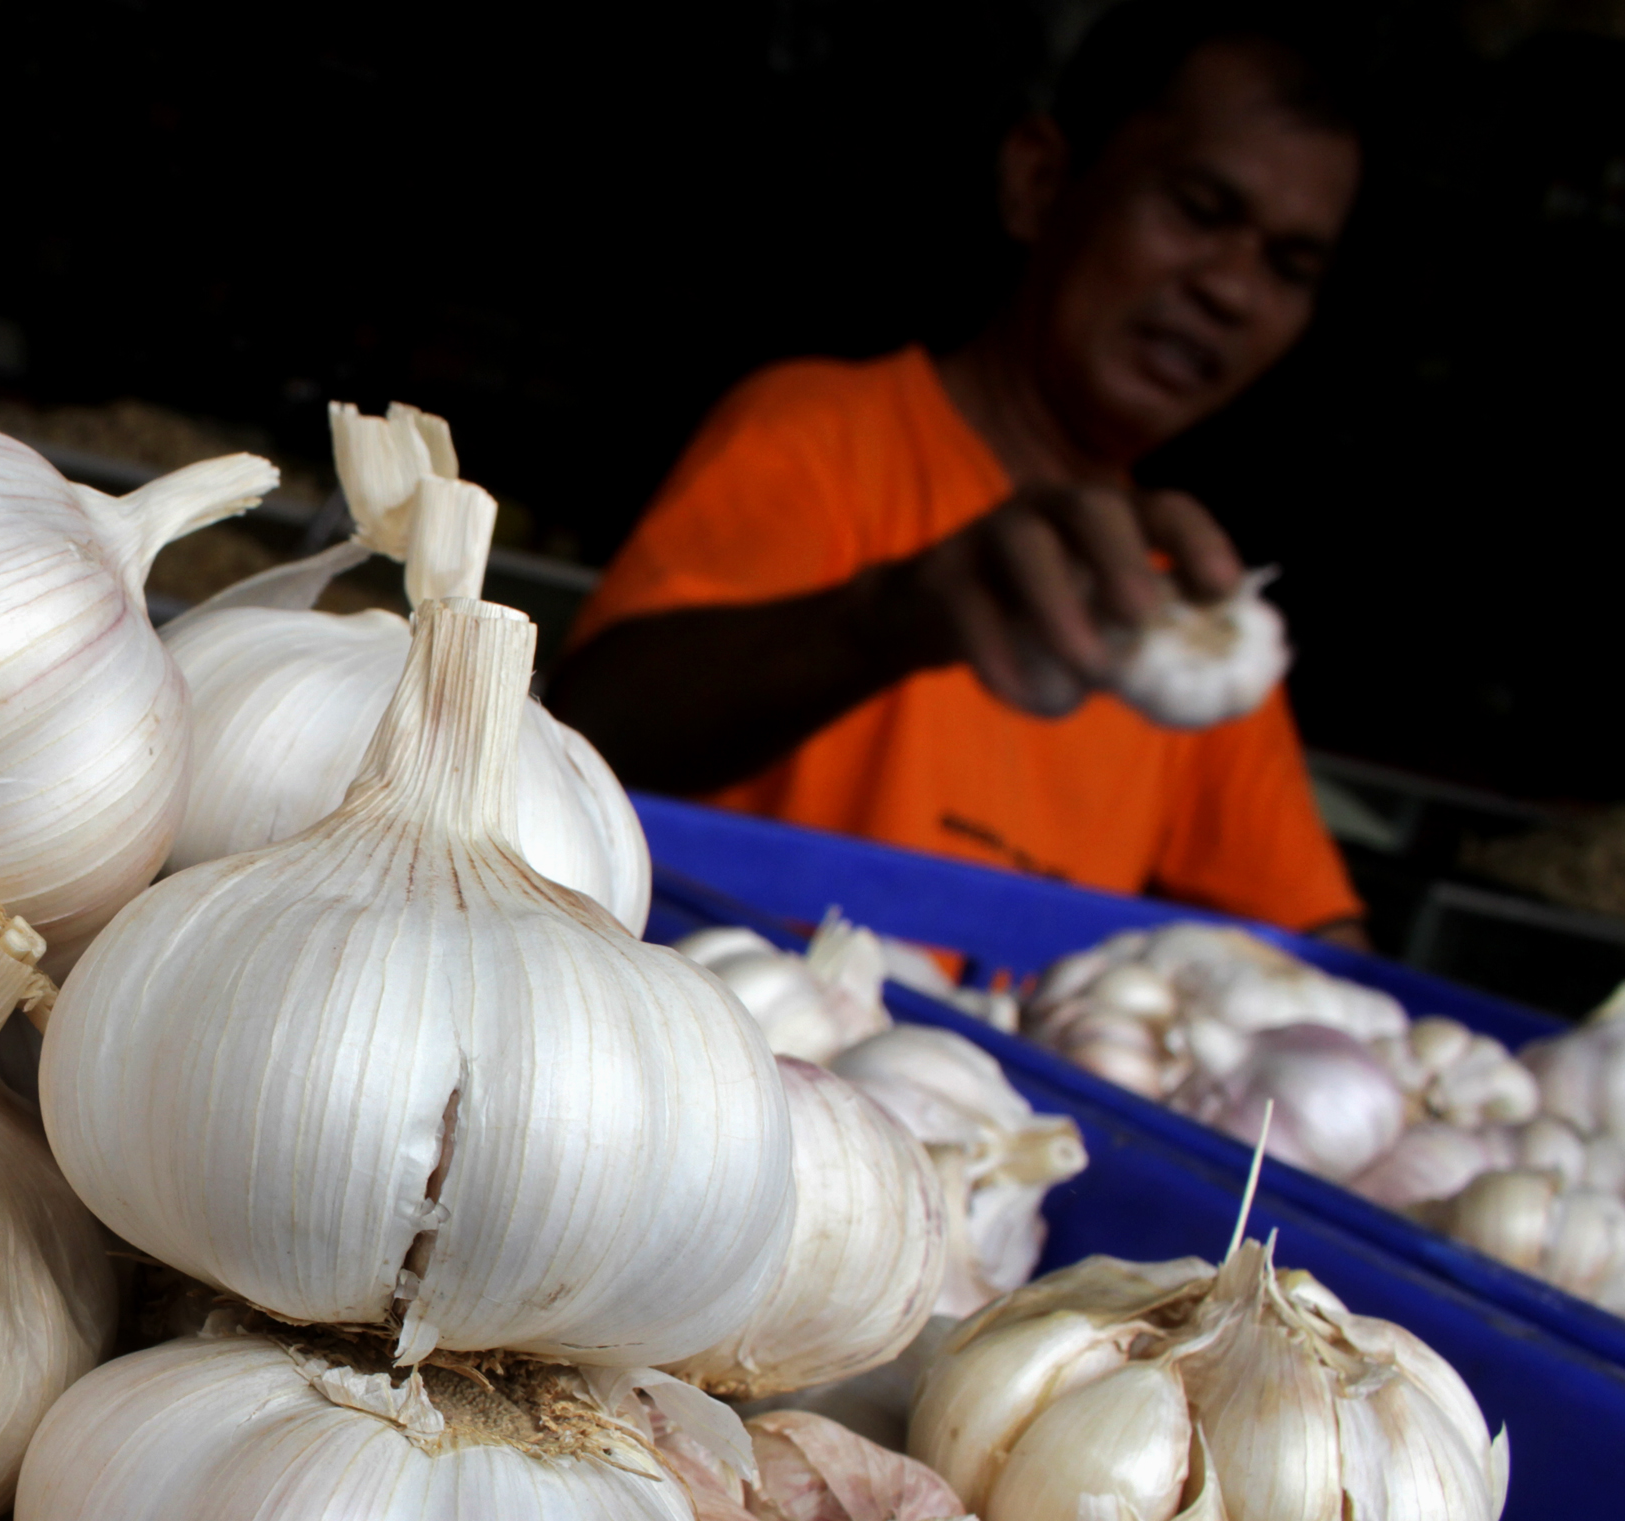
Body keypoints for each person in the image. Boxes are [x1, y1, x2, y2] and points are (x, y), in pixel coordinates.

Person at [547, 0, 1371, 942]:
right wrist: (891, 616)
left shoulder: (1186, 606)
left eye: (1290, 266)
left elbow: (1321, 954)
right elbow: (588, 731)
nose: (1231, 289)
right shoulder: (821, 432)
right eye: (1198, 210)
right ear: (1040, 181)